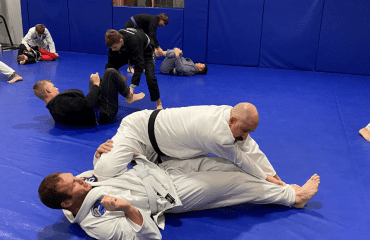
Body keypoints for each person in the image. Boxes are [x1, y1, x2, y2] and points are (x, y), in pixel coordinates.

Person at [38, 139, 320, 239]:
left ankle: (281, 188)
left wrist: (99, 156)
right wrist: (127, 208)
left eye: (75, 176)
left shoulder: (85, 182)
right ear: (66, 203)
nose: (81, 180)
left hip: (158, 170)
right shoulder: (96, 223)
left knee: (224, 163)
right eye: (74, 183)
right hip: (171, 194)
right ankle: (293, 197)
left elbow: (100, 173)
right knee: (234, 184)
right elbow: (147, 238)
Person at [91, 102, 287, 186]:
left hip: (161, 152)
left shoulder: (232, 115)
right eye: (245, 131)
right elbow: (241, 159)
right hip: (139, 130)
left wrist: (273, 173)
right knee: (105, 171)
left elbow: (250, 147)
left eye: (249, 132)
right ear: (232, 120)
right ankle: (100, 154)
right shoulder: (217, 135)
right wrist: (266, 178)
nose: (245, 137)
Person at [33, 68, 145, 126]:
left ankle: (117, 85)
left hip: (95, 110)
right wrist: (96, 85)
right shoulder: (60, 102)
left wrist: (96, 84)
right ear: (48, 90)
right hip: (105, 113)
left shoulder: (54, 108)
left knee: (97, 79)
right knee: (110, 72)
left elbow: (82, 105)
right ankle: (128, 95)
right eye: (53, 87)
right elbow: (88, 103)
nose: (56, 88)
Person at [105, 29, 163, 109]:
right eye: (111, 47)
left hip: (146, 51)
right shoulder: (115, 41)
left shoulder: (133, 41)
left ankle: (158, 102)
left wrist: (131, 88)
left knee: (150, 76)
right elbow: (111, 62)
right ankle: (129, 97)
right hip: (130, 49)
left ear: (121, 41)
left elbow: (139, 66)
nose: (113, 49)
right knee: (109, 68)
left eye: (114, 47)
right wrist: (117, 74)